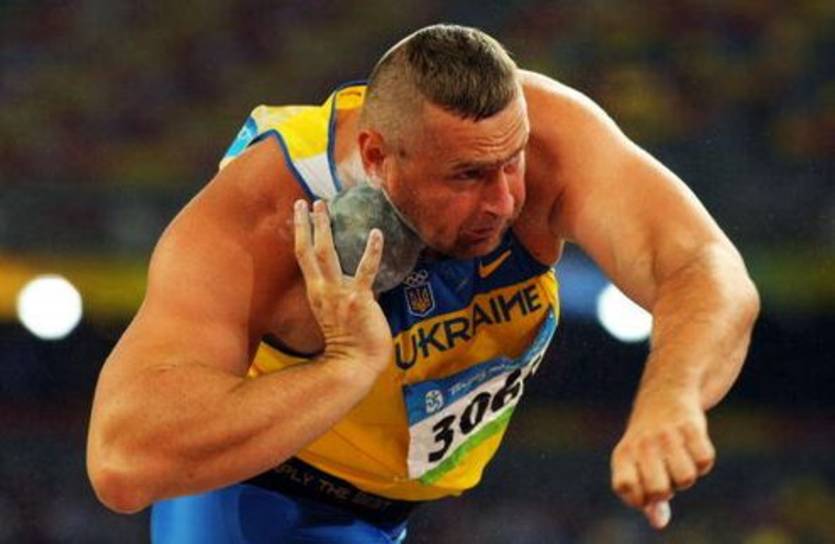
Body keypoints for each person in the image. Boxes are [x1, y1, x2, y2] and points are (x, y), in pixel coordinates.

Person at [86, 24, 759, 543]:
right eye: (468, 176)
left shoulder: (548, 139)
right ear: (376, 156)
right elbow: (124, 459)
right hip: (252, 499)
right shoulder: (265, 215)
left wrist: (671, 398)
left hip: (393, 515)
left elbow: (705, 267)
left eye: (511, 163)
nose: (504, 200)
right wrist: (347, 368)